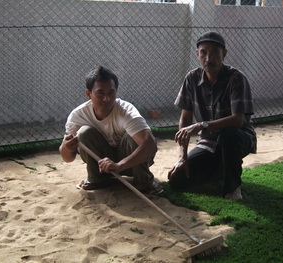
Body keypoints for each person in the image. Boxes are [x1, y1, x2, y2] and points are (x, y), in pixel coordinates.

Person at [167, 31, 257, 200]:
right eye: (204, 52)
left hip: (239, 138)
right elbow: (185, 119)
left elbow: (239, 120)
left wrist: (202, 125)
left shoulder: (236, 79)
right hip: (208, 143)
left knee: (229, 134)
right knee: (177, 179)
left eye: (215, 52)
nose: (209, 58)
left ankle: (233, 187)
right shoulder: (191, 78)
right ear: (197, 54)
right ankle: (221, 169)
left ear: (224, 54)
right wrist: (182, 157)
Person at [59, 66, 163, 194]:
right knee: (84, 133)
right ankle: (97, 179)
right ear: (88, 94)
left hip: (130, 163)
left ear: (116, 92)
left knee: (135, 136)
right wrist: (67, 148)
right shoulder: (78, 116)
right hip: (102, 166)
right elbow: (67, 158)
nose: (106, 99)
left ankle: (144, 182)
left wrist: (119, 166)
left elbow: (150, 145)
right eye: (100, 93)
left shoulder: (127, 111)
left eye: (111, 93)